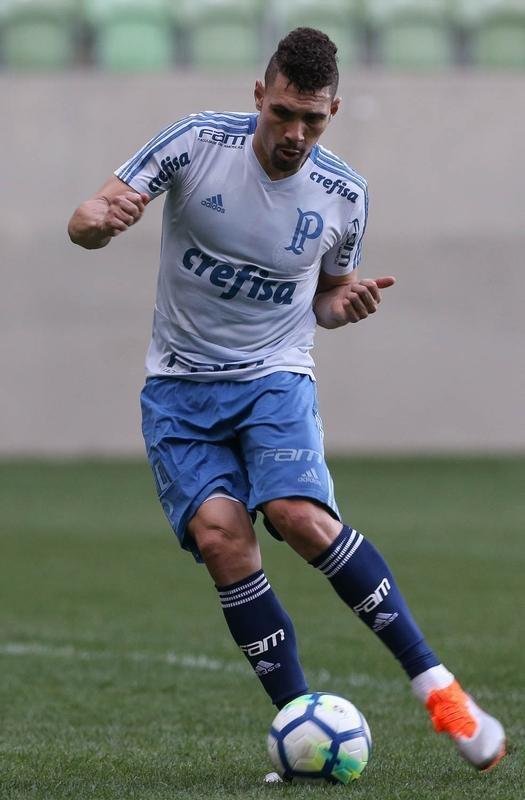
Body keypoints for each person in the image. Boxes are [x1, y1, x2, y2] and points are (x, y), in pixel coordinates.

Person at [68, 27, 505, 777]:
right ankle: (299, 727)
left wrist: (349, 302)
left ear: (332, 109)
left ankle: (443, 695)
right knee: (219, 539)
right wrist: (95, 224)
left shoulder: (343, 193)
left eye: (313, 119)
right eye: (282, 115)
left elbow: (328, 298)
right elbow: (91, 215)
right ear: (258, 98)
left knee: (297, 518)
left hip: (273, 375)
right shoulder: (194, 144)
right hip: (178, 386)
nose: (296, 135)